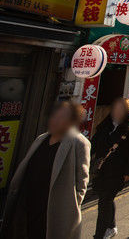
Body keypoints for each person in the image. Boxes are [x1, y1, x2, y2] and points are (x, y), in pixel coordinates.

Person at [1, 101, 89, 239]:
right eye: (55, 116)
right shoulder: (41, 138)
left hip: (52, 209)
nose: (55, 120)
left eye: (62, 117)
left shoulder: (79, 142)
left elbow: (82, 181)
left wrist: (69, 205)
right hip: (27, 203)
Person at [91, 98, 129, 239]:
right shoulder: (106, 124)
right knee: (105, 198)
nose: (117, 111)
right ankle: (111, 226)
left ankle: (99, 235)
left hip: (118, 171)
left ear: (127, 110)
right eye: (115, 108)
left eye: (121, 108)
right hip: (102, 168)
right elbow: (94, 144)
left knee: (104, 200)